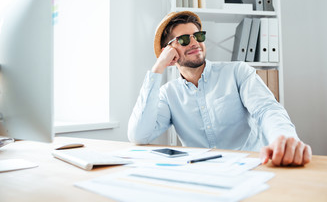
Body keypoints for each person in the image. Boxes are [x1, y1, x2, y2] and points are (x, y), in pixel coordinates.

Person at [128, 11, 312, 166]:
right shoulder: (168, 94)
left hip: (253, 167)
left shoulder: (238, 72)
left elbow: (267, 110)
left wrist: (284, 138)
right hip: (204, 174)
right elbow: (138, 135)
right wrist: (157, 68)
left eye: (198, 36)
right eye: (184, 39)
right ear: (168, 51)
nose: (194, 43)